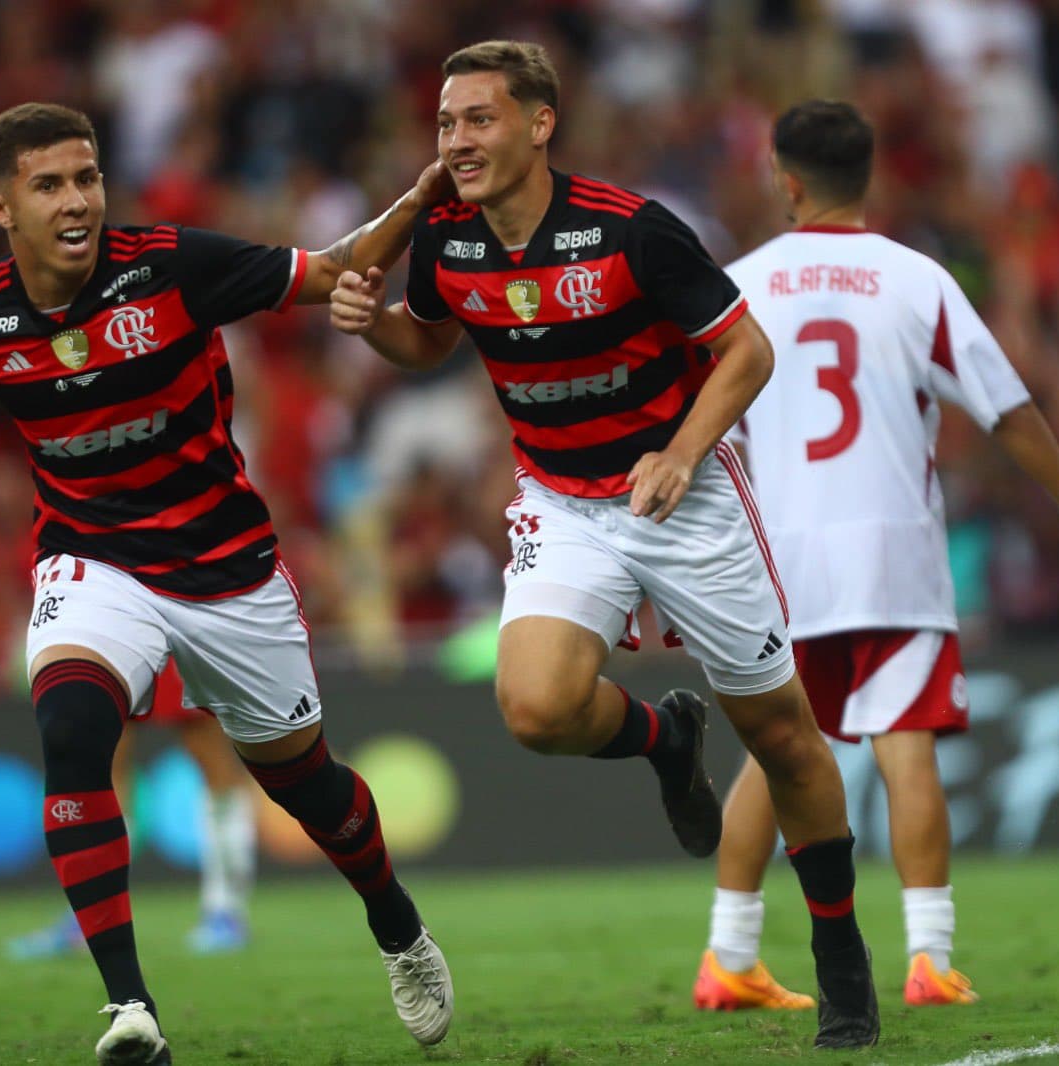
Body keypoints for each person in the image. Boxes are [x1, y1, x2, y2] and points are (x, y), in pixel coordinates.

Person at [0, 102, 454, 1065]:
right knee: (73, 729)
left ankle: (398, 927)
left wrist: (417, 201)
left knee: (308, 785)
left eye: (86, 177)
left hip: (227, 569)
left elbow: (332, 267)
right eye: (50, 185)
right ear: (1, 206)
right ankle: (131, 1011)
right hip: (94, 560)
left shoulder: (170, 264)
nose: (77, 200)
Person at [329, 42, 878, 1049]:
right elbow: (425, 340)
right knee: (534, 706)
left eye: (480, 119)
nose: (457, 140)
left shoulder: (630, 231)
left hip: (687, 496)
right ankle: (667, 740)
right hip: (561, 500)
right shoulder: (447, 238)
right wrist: (373, 327)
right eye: (447, 123)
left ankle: (842, 959)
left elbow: (746, 351)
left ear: (540, 124)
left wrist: (678, 451)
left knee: (782, 735)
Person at [693, 99, 1059, 1012]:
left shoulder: (736, 287)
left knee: (775, 755)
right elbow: (1008, 407)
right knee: (907, 748)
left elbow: (703, 429)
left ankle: (728, 954)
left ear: (785, 179)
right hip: (891, 558)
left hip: (780, 566)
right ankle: (928, 958)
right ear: (865, 176)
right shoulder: (916, 280)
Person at [6, 658, 259, 960]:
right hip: (118, 623)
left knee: (212, 761)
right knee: (105, 762)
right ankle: (91, 919)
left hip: (177, 624)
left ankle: (225, 912)